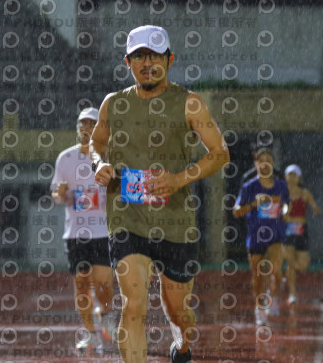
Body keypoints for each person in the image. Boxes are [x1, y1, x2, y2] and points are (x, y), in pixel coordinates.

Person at [90, 25, 230, 363]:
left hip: (176, 223)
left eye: (155, 56)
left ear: (170, 59)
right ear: (128, 62)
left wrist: (179, 179)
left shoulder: (190, 103)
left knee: (178, 311)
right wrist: (99, 163)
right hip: (127, 218)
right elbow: (96, 143)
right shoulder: (113, 104)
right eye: (139, 56)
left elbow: (220, 153)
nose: (147, 63)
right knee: (133, 304)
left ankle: (181, 345)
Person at [50, 107, 119, 352]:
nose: (87, 128)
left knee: (103, 283)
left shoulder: (108, 157)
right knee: (81, 283)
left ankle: (106, 314)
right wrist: (59, 194)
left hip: (102, 232)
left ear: (100, 128)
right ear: (78, 128)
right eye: (83, 123)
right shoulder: (65, 158)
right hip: (76, 234)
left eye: (92, 123)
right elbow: (57, 194)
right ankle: (90, 333)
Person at [232, 147, 289, 325]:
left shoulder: (281, 185)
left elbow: (287, 204)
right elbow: (236, 211)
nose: (265, 164)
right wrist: (254, 204)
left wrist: (285, 211)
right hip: (256, 237)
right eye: (261, 160)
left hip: (276, 235)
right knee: (257, 278)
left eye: (268, 160)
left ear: (273, 164)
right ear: (256, 164)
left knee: (276, 272)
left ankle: (272, 297)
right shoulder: (249, 187)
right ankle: (260, 308)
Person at [283, 164, 321, 305]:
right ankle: (292, 294)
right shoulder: (282, 193)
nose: (292, 178)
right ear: (285, 177)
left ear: (299, 178)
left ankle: (289, 273)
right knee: (290, 263)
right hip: (287, 231)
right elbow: (281, 212)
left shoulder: (304, 193)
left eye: (295, 175)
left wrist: (316, 210)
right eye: (290, 175)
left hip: (301, 230)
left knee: (302, 265)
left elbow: (314, 207)